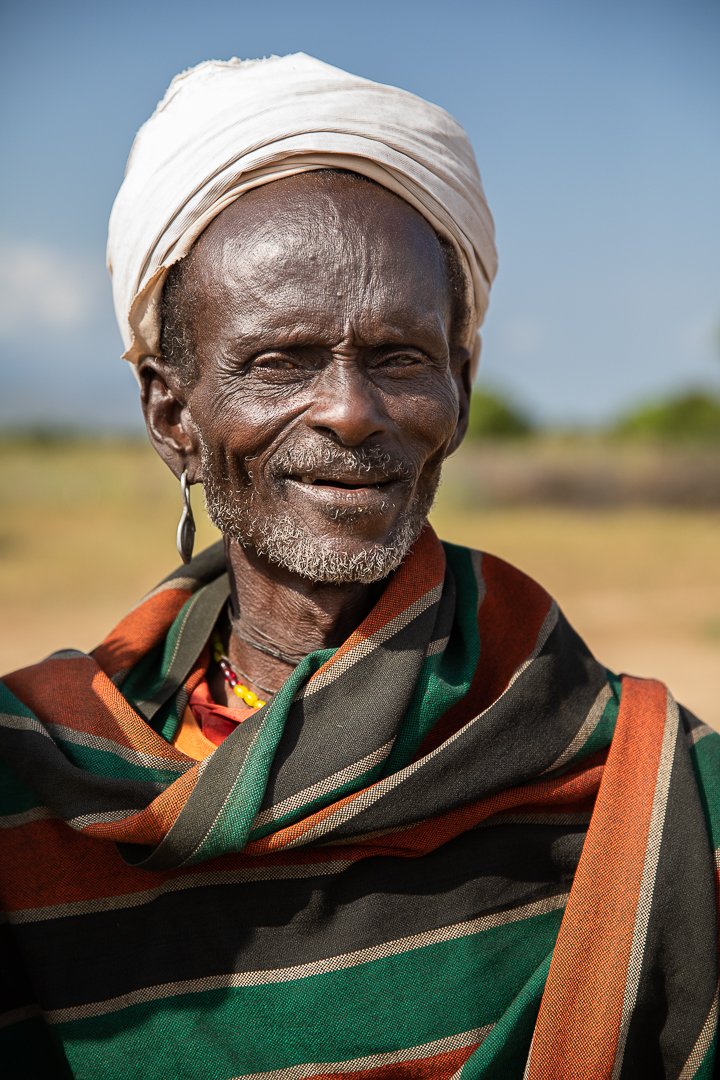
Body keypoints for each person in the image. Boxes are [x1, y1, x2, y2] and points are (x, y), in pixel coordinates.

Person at [0, 54, 717, 1080]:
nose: (349, 410)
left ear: (459, 388)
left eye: (399, 357)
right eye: (280, 360)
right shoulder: (37, 784)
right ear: (172, 415)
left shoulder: (645, 782)